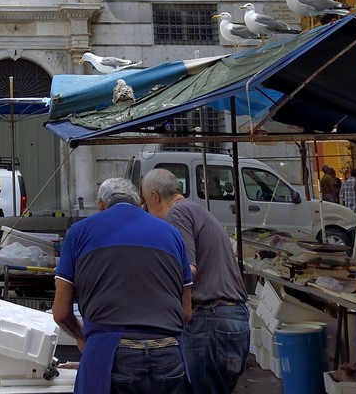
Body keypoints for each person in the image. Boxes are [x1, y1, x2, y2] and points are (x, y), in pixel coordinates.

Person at [53, 177, 192, 394]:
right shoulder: (172, 234)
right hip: (168, 352)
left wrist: (81, 337)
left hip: (109, 352)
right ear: (140, 203)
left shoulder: (79, 232)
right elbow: (186, 312)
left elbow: (61, 312)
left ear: (101, 205)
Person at [142, 169, 248, 394]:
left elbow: (188, 270)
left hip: (210, 321)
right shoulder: (197, 209)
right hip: (232, 320)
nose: (146, 210)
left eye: (145, 203)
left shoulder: (177, 214)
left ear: (155, 196)